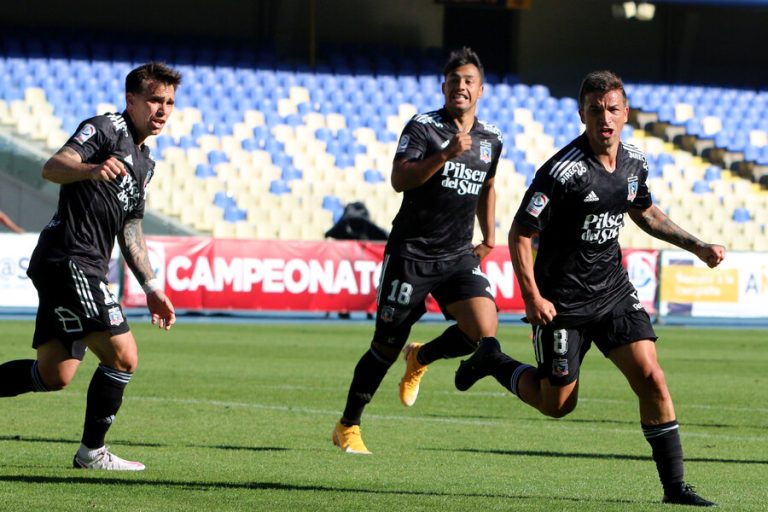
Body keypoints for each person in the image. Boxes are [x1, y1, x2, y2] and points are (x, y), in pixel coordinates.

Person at [454, 70, 723, 506]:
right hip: (563, 302)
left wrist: (696, 245)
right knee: (557, 404)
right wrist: (532, 297)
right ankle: (492, 359)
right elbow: (520, 234)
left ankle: (675, 489)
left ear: (626, 113)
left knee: (652, 378)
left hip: (613, 292)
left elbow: (646, 212)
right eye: (596, 110)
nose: (605, 118)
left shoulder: (634, 163)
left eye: (613, 109)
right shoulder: (562, 172)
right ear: (582, 114)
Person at [0, 62, 181, 470]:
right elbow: (52, 167)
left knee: (53, 375)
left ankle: (91, 451)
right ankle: (92, 453)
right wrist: (92, 169)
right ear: (131, 100)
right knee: (124, 357)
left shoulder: (143, 163)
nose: (163, 109)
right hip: (71, 258)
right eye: (154, 99)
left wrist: (153, 288)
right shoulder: (104, 129)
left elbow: (130, 228)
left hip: (75, 262)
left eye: (169, 102)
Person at [332, 47, 503, 454]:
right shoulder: (424, 127)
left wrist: (491, 237)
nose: (461, 87)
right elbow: (399, 179)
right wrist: (444, 156)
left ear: (481, 89)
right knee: (384, 347)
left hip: (459, 253)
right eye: (454, 80)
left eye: (468, 81)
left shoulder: (492, 138)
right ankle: (348, 426)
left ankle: (422, 356)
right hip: (412, 254)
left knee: (482, 331)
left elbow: (489, 185)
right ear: (443, 86)